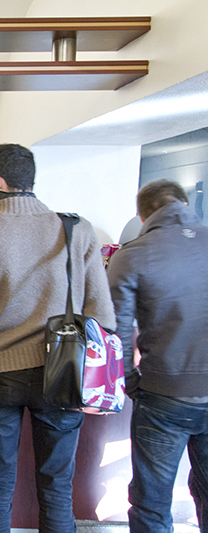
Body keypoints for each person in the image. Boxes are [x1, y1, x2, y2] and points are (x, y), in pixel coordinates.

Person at [0, 143, 115, 533]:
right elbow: (103, 316)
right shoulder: (77, 229)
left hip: (0, 376)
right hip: (64, 374)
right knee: (56, 488)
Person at [107, 179, 208, 533]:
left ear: (143, 215)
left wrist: (131, 382)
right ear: (184, 202)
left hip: (163, 391)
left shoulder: (132, 254)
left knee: (151, 503)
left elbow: (115, 332)